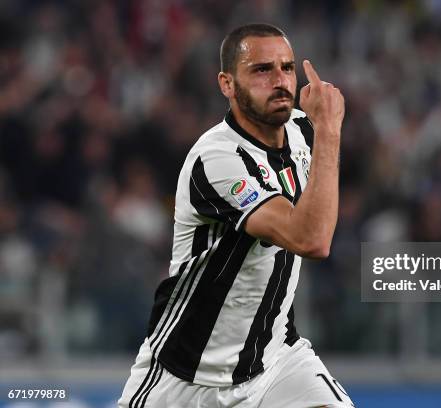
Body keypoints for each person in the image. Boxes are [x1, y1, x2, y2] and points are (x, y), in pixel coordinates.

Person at [118, 23, 353, 407]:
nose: (280, 81)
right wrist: (328, 130)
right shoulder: (217, 159)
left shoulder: (301, 131)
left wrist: (322, 131)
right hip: (187, 379)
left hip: (276, 361)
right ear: (226, 84)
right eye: (262, 70)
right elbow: (310, 238)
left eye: (287, 68)